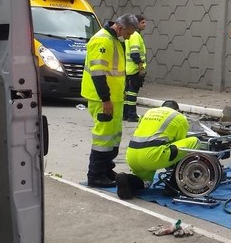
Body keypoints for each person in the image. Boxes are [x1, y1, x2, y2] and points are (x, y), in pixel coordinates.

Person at [81, 13, 139, 188]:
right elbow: (98, 74)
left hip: (113, 98)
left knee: (113, 137)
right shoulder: (103, 41)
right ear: (120, 27)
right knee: (103, 138)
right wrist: (105, 99)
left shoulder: (114, 39)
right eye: (129, 33)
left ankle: (106, 170)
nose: (129, 37)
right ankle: (95, 175)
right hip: (102, 99)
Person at [115, 106, 199, 199]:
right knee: (194, 141)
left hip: (132, 154)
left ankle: (126, 179)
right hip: (152, 155)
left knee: (145, 182)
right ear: (177, 109)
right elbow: (179, 145)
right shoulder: (179, 117)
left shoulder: (149, 112)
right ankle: (174, 185)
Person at [123, 14, 147, 122]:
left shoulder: (131, 35)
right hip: (134, 69)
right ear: (136, 24)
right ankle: (132, 115)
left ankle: (125, 114)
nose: (145, 25)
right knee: (132, 93)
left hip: (128, 69)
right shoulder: (136, 36)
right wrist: (141, 67)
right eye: (143, 22)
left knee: (128, 93)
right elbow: (135, 54)